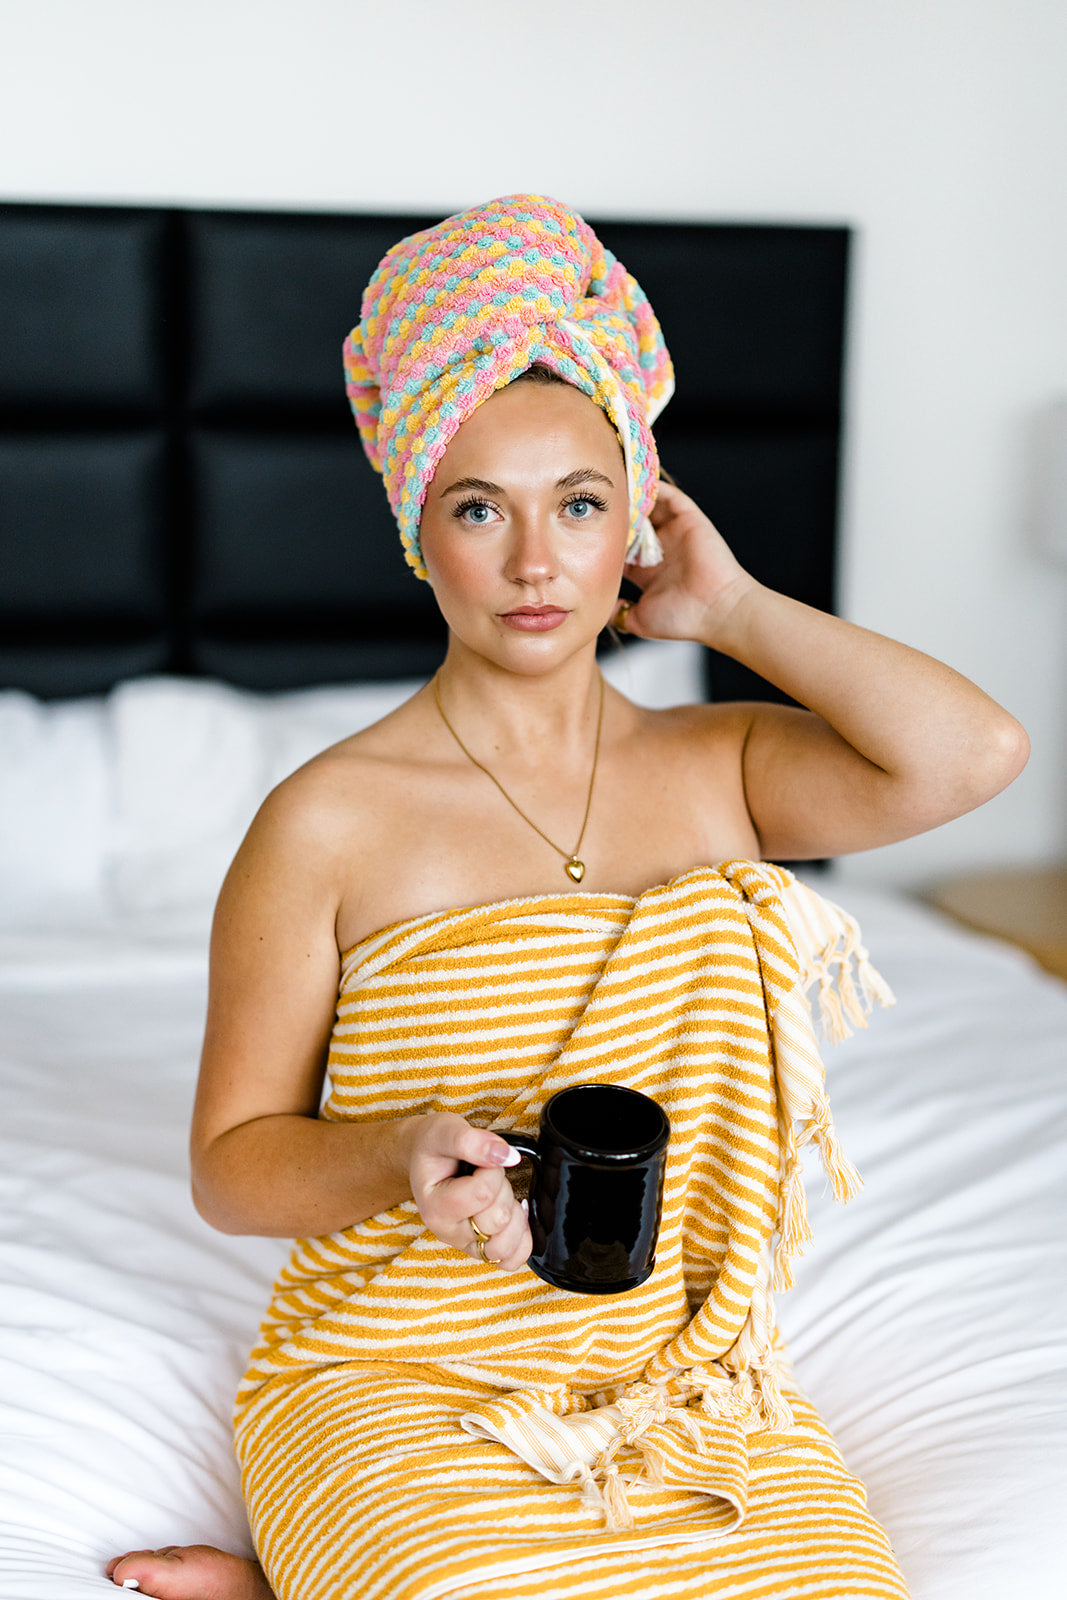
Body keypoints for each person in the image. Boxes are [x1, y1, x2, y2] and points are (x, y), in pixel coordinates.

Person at [107, 195, 1027, 1600]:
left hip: (685, 1387)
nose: (538, 563)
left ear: (637, 527)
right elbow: (233, 1164)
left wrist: (733, 612)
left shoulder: (723, 768)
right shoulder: (326, 822)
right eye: (481, 508)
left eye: (582, 505)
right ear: (423, 531)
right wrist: (396, 1155)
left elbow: (976, 755)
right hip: (396, 1381)